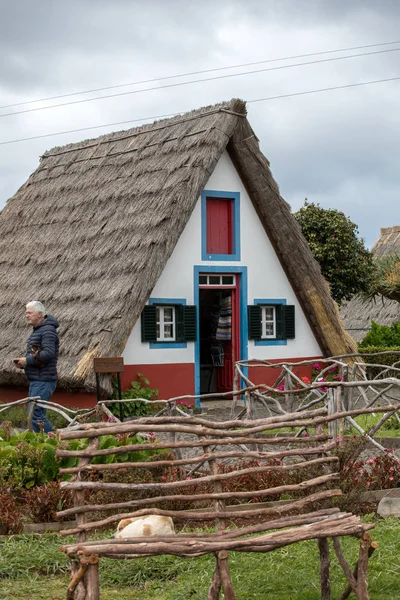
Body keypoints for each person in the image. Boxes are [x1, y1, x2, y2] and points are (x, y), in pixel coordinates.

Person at [13, 301, 59, 433]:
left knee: (35, 414)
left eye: (29, 313)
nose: (26, 315)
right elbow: (39, 354)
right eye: (26, 313)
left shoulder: (48, 331)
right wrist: (24, 363)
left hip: (43, 380)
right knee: (36, 414)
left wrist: (27, 360)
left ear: (39, 314)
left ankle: (55, 441)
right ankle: (46, 444)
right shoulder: (40, 330)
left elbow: (49, 353)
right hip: (38, 379)